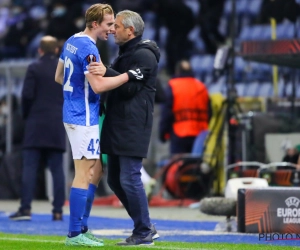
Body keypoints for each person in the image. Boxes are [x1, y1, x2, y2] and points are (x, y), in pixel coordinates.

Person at [54, 4, 150, 247]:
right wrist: (128, 75)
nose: (111, 29)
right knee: (85, 173)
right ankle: (76, 234)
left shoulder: (72, 40)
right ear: (95, 24)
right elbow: (98, 86)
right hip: (84, 115)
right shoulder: (89, 48)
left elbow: (58, 76)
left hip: (73, 111)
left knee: (92, 171)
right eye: (109, 24)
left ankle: (81, 228)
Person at [88, 10, 160, 246]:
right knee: (116, 181)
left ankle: (143, 232)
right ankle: (145, 226)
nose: (112, 30)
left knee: (129, 178)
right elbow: (121, 81)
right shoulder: (126, 54)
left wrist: (105, 70)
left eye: (116, 26)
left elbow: (129, 89)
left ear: (130, 30)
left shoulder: (145, 55)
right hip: (118, 122)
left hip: (133, 124)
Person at [8, 36, 66, 221]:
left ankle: (25, 209)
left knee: (30, 168)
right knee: (57, 170)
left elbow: (26, 96)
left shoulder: (34, 67)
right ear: (56, 50)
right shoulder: (63, 68)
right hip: (57, 124)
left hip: (36, 123)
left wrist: (26, 117)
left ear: (39, 50)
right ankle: (58, 211)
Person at [159, 60, 211, 154]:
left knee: (179, 165)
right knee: (197, 165)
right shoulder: (202, 86)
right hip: (200, 135)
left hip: (179, 134)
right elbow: (209, 112)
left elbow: (166, 112)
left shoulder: (173, 85)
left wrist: (163, 133)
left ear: (177, 71)